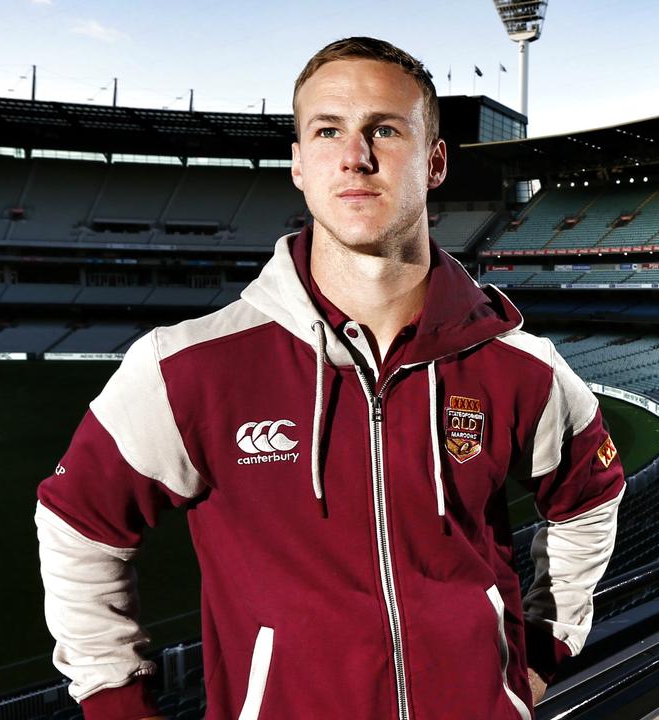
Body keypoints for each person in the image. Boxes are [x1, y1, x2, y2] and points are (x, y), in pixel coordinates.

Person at [36, 36, 625, 720]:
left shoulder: (517, 362)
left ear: (434, 163)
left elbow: (589, 496)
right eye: (327, 130)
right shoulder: (187, 366)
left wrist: (542, 650)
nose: (356, 155)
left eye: (384, 129)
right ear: (299, 165)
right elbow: (80, 521)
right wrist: (117, 706)